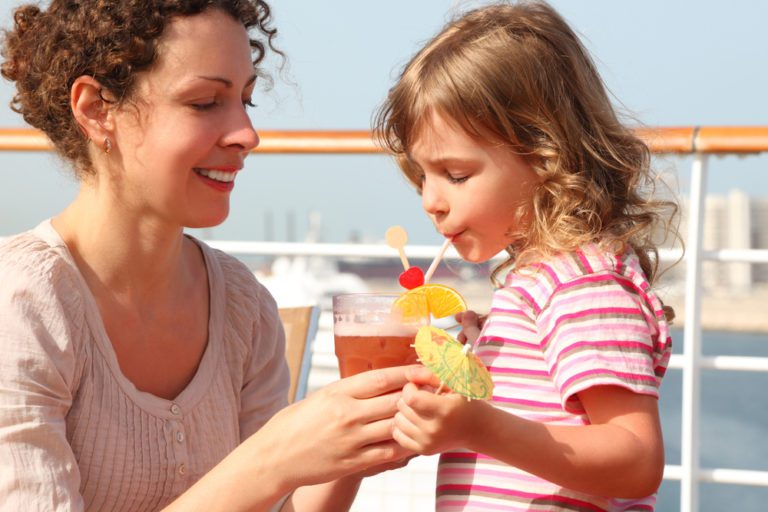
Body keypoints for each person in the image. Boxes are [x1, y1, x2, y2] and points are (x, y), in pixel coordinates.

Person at [0, 1, 413, 511]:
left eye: (246, 100)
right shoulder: (21, 306)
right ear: (95, 109)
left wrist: (360, 440)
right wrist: (271, 460)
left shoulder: (243, 307)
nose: (248, 134)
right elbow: (262, 475)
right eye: (204, 102)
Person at [374, 1, 678, 510]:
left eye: (456, 175)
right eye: (421, 175)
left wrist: (477, 426)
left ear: (544, 155)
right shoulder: (542, 285)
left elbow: (636, 457)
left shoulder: (583, 285)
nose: (430, 199)